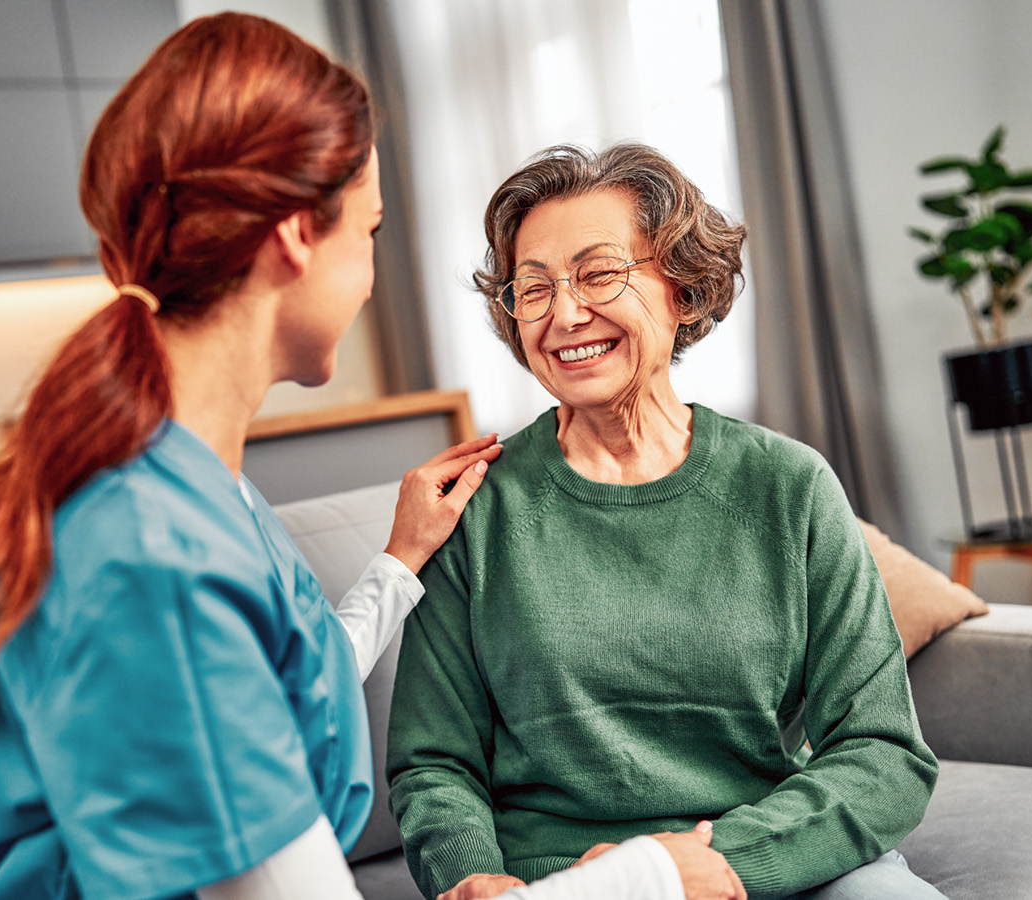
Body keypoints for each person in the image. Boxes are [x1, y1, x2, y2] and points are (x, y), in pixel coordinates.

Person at [0, 16, 740, 900]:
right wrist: (643, 876)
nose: (371, 276)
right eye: (368, 232)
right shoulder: (152, 555)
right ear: (296, 236)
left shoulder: (200, 491)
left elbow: (267, 697)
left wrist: (398, 565)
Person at [386, 143, 944, 900]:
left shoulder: (789, 486)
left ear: (683, 287)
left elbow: (882, 751)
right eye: (534, 287)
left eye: (599, 273)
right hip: (560, 887)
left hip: (754, 863)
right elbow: (434, 763)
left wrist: (701, 867)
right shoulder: (474, 508)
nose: (565, 313)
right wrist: (475, 877)